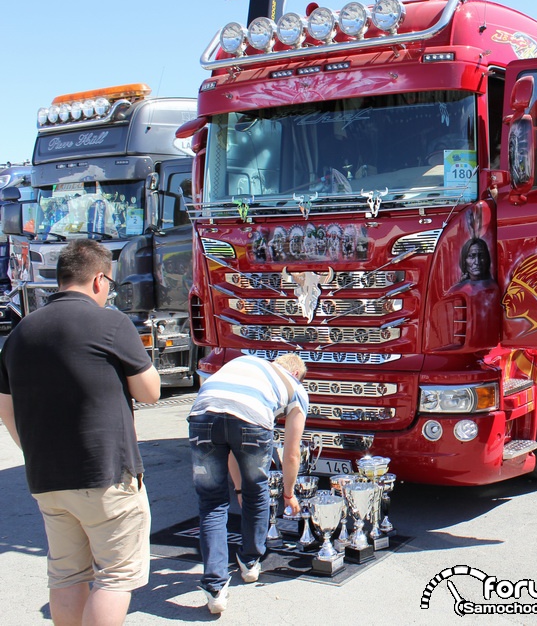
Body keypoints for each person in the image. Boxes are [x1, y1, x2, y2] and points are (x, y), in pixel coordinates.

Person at [0, 239, 161, 625]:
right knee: (116, 577)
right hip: (106, 473)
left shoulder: (20, 333)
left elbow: (7, 413)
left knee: (67, 575)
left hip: (46, 479)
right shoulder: (110, 322)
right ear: (99, 280)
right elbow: (151, 391)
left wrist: (36, 452)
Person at [187, 353, 309, 614]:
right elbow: (291, 453)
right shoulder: (296, 388)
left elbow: (229, 447)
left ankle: (215, 586)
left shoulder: (244, 363)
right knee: (258, 494)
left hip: (202, 414)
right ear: (297, 374)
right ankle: (250, 561)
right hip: (251, 419)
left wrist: (237, 487)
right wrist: (288, 493)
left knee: (211, 503)